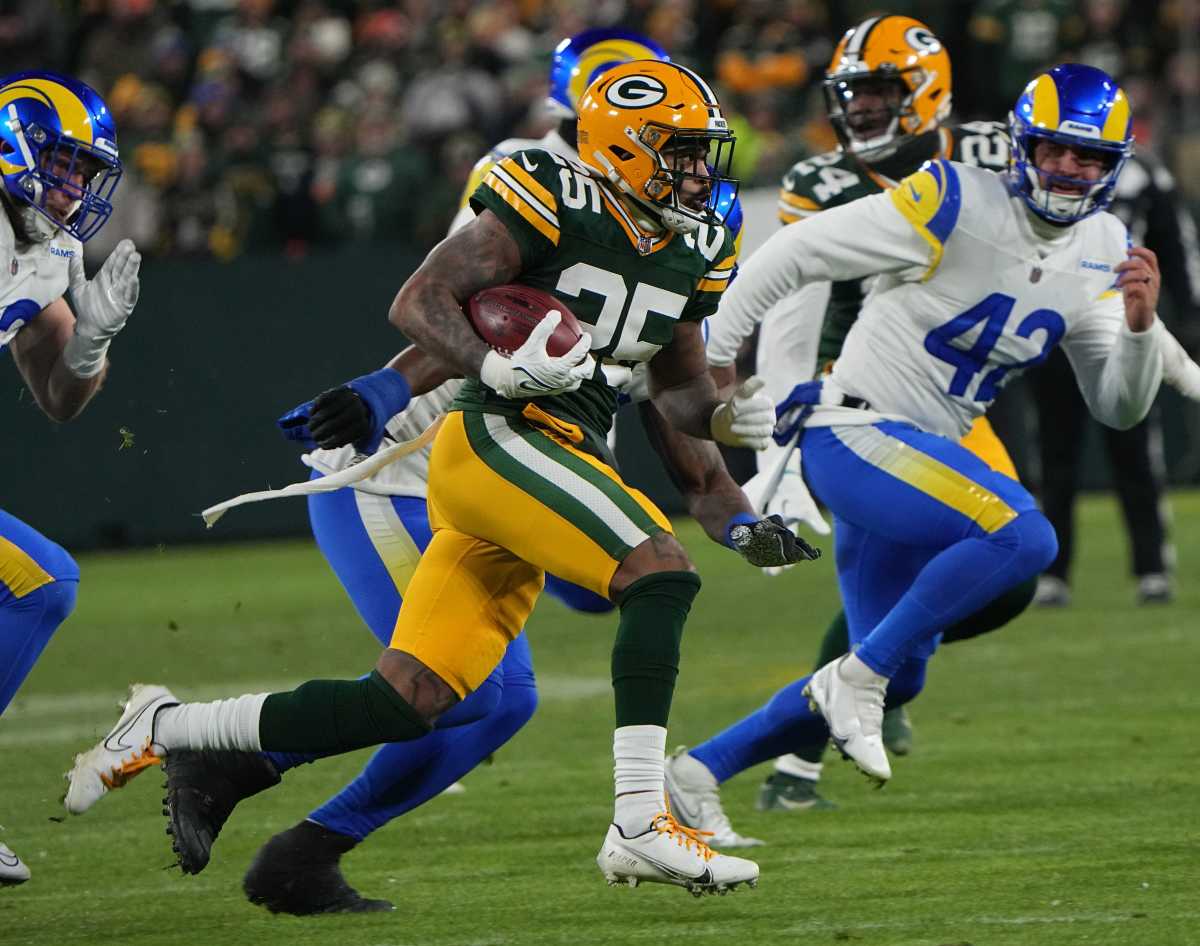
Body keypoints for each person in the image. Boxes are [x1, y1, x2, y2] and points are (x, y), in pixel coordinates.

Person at [66, 60, 817, 897]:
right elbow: (423, 299)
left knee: (413, 699)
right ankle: (641, 820)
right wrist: (481, 370)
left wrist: (718, 417)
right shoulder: (547, 188)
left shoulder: (699, 238)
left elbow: (675, 390)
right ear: (626, 149)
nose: (699, 171)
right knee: (659, 572)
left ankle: (171, 726)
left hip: (550, 443)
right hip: (497, 435)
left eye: (702, 153)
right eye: (680, 152)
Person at [234, 28, 686, 916]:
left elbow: (645, 373)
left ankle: (300, 848)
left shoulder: (660, 212)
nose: (680, 162)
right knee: (469, 692)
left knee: (504, 692)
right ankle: (217, 754)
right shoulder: (534, 176)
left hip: (510, 453)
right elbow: (474, 309)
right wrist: (383, 384)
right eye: (663, 137)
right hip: (409, 458)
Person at [669, 64, 1186, 806]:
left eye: (1089, 157)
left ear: (1113, 166)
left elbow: (1119, 407)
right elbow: (795, 253)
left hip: (921, 451)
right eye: (1054, 150)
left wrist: (1137, 333)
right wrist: (715, 353)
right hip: (852, 428)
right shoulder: (953, 197)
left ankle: (694, 776)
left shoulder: (1104, 242)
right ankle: (855, 680)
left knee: (902, 664)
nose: (1069, 169)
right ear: (1021, 147)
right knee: (1026, 537)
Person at [674, 15, 1037, 838]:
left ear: (925, 91)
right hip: (855, 397)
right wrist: (782, 458)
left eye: (879, 91)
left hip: (955, 395)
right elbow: (793, 312)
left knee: (1001, 570)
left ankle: (883, 670)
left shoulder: (986, 157)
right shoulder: (826, 182)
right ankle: (814, 742)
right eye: (852, 95)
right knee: (1001, 552)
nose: (863, 110)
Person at [0, 70, 139, 885]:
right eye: (66, 163)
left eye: (87, 172)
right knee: (41, 580)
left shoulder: (46, 245)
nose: (78, 185)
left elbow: (60, 398)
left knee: (42, 581)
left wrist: (89, 345)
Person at [1031, 147, 1200, 607]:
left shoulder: (1145, 173)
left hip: (1119, 320)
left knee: (1136, 454)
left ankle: (1152, 568)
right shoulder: (1034, 168)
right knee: (1055, 456)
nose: (1071, 164)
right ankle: (1052, 571)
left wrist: (1186, 311)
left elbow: (1175, 241)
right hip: (1050, 320)